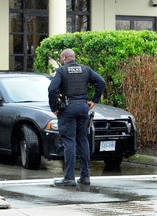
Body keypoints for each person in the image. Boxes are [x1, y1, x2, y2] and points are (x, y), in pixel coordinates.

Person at [48, 48, 105, 186]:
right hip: (83, 108)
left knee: (69, 142)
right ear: (73, 57)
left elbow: (52, 89)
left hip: (68, 109)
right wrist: (94, 100)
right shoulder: (85, 69)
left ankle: (69, 178)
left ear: (63, 58)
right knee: (82, 140)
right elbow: (101, 82)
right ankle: (85, 177)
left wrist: (54, 108)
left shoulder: (62, 71)